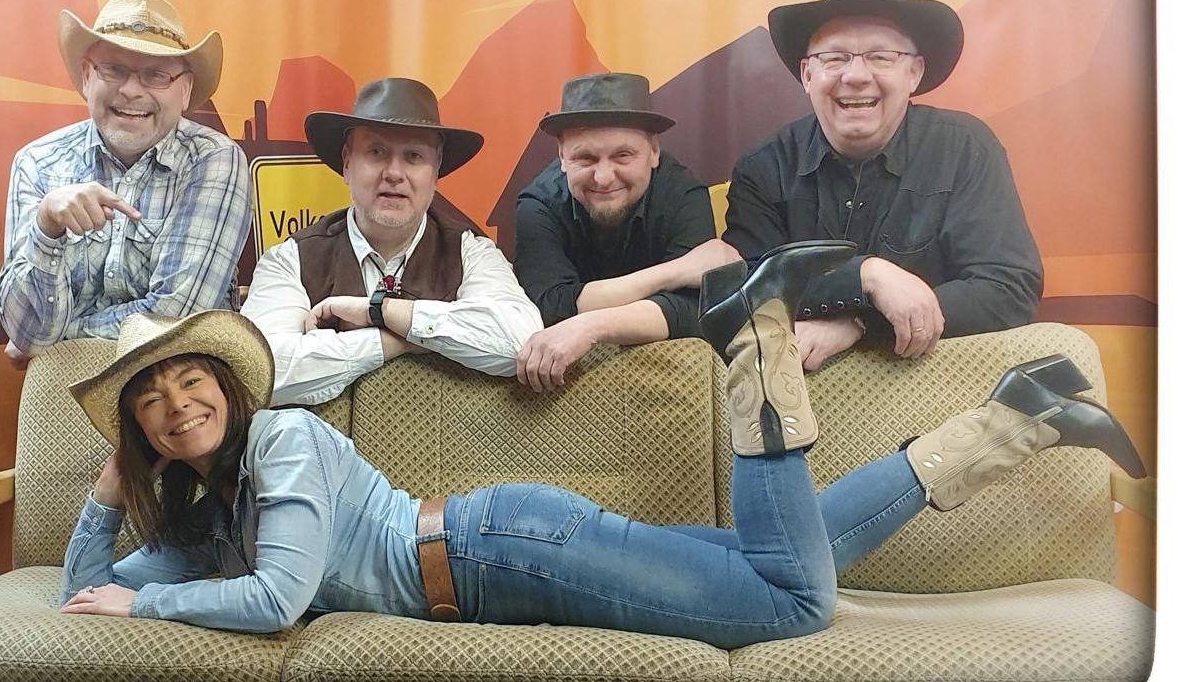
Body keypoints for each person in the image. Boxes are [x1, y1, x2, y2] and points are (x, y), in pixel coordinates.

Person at [56, 243, 1144, 646]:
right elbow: (82, 594)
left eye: (192, 381)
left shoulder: (284, 439)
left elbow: (280, 596)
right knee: (790, 562)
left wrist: (147, 607)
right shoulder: (200, 518)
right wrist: (108, 496)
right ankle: (1017, 415)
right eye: (149, 401)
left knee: (792, 606)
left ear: (229, 390)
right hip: (498, 552)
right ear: (138, 431)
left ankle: (759, 354)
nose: (177, 406)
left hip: (496, 553)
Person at [723, 0, 1043, 371]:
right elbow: (747, 293)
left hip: (937, 386)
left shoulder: (965, 149)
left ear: (914, 73)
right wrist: (867, 277)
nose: (856, 75)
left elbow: (1009, 289)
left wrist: (860, 321)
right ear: (807, 75)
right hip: (806, 394)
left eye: (881, 57)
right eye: (834, 57)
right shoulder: (763, 169)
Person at [240, 78, 541, 406]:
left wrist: (379, 312)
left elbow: (522, 342)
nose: (394, 173)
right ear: (347, 163)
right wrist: (397, 339)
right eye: (376, 152)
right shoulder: (291, 259)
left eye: (413, 156)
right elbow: (256, 372)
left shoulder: (471, 251)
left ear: (435, 171)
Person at [0, 0, 252, 369]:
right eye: (114, 69)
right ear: (87, 77)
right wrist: (46, 226)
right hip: (61, 390)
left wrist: (52, 343)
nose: (131, 90)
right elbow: (26, 327)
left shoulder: (214, 159)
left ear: (185, 91)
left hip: (176, 383)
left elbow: (173, 318)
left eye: (156, 75)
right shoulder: (37, 163)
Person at [513, 73, 742, 391]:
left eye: (623, 155)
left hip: (663, 376)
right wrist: (676, 272)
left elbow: (695, 310)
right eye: (585, 158)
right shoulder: (538, 203)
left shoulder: (682, 193)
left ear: (654, 152)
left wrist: (591, 326)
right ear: (562, 157)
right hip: (563, 382)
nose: (604, 177)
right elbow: (550, 305)